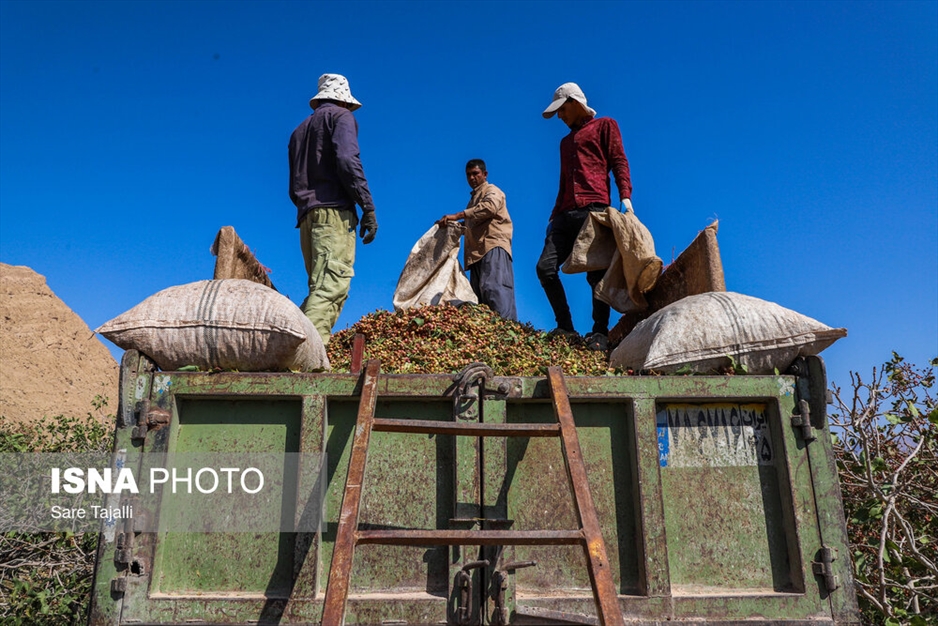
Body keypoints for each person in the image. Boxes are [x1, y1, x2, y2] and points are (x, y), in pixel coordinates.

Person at [536, 82, 633, 351]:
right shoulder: (565, 143)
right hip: (565, 214)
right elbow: (564, 182)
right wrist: (554, 216)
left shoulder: (605, 126)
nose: (560, 116)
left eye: (562, 110)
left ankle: (599, 333)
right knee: (545, 268)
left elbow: (618, 161)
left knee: (596, 274)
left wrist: (625, 196)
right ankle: (565, 326)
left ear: (575, 103)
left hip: (595, 209)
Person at [288, 73, 378, 345]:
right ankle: (304, 358)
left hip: (307, 216)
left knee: (319, 288)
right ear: (344, 102)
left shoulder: (299, 131)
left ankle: (293, 344)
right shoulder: (341, 118)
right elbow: (347, 160)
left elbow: (295, 181)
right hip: (333, 214)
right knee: (331, 287)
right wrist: (367, 206)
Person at [438, 159, 517, 320]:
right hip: (476, 253)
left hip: (492, 246)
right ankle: (491, 333)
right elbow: (470, 224)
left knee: (494, 288)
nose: (472, 178)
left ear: (485, 174)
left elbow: (489, 208)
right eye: (468, 175)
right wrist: (452, 227)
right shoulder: (473, 200)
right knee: (479, 295)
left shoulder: (492, 190)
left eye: (475, 174)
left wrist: (459, 215)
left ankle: (506, 328)